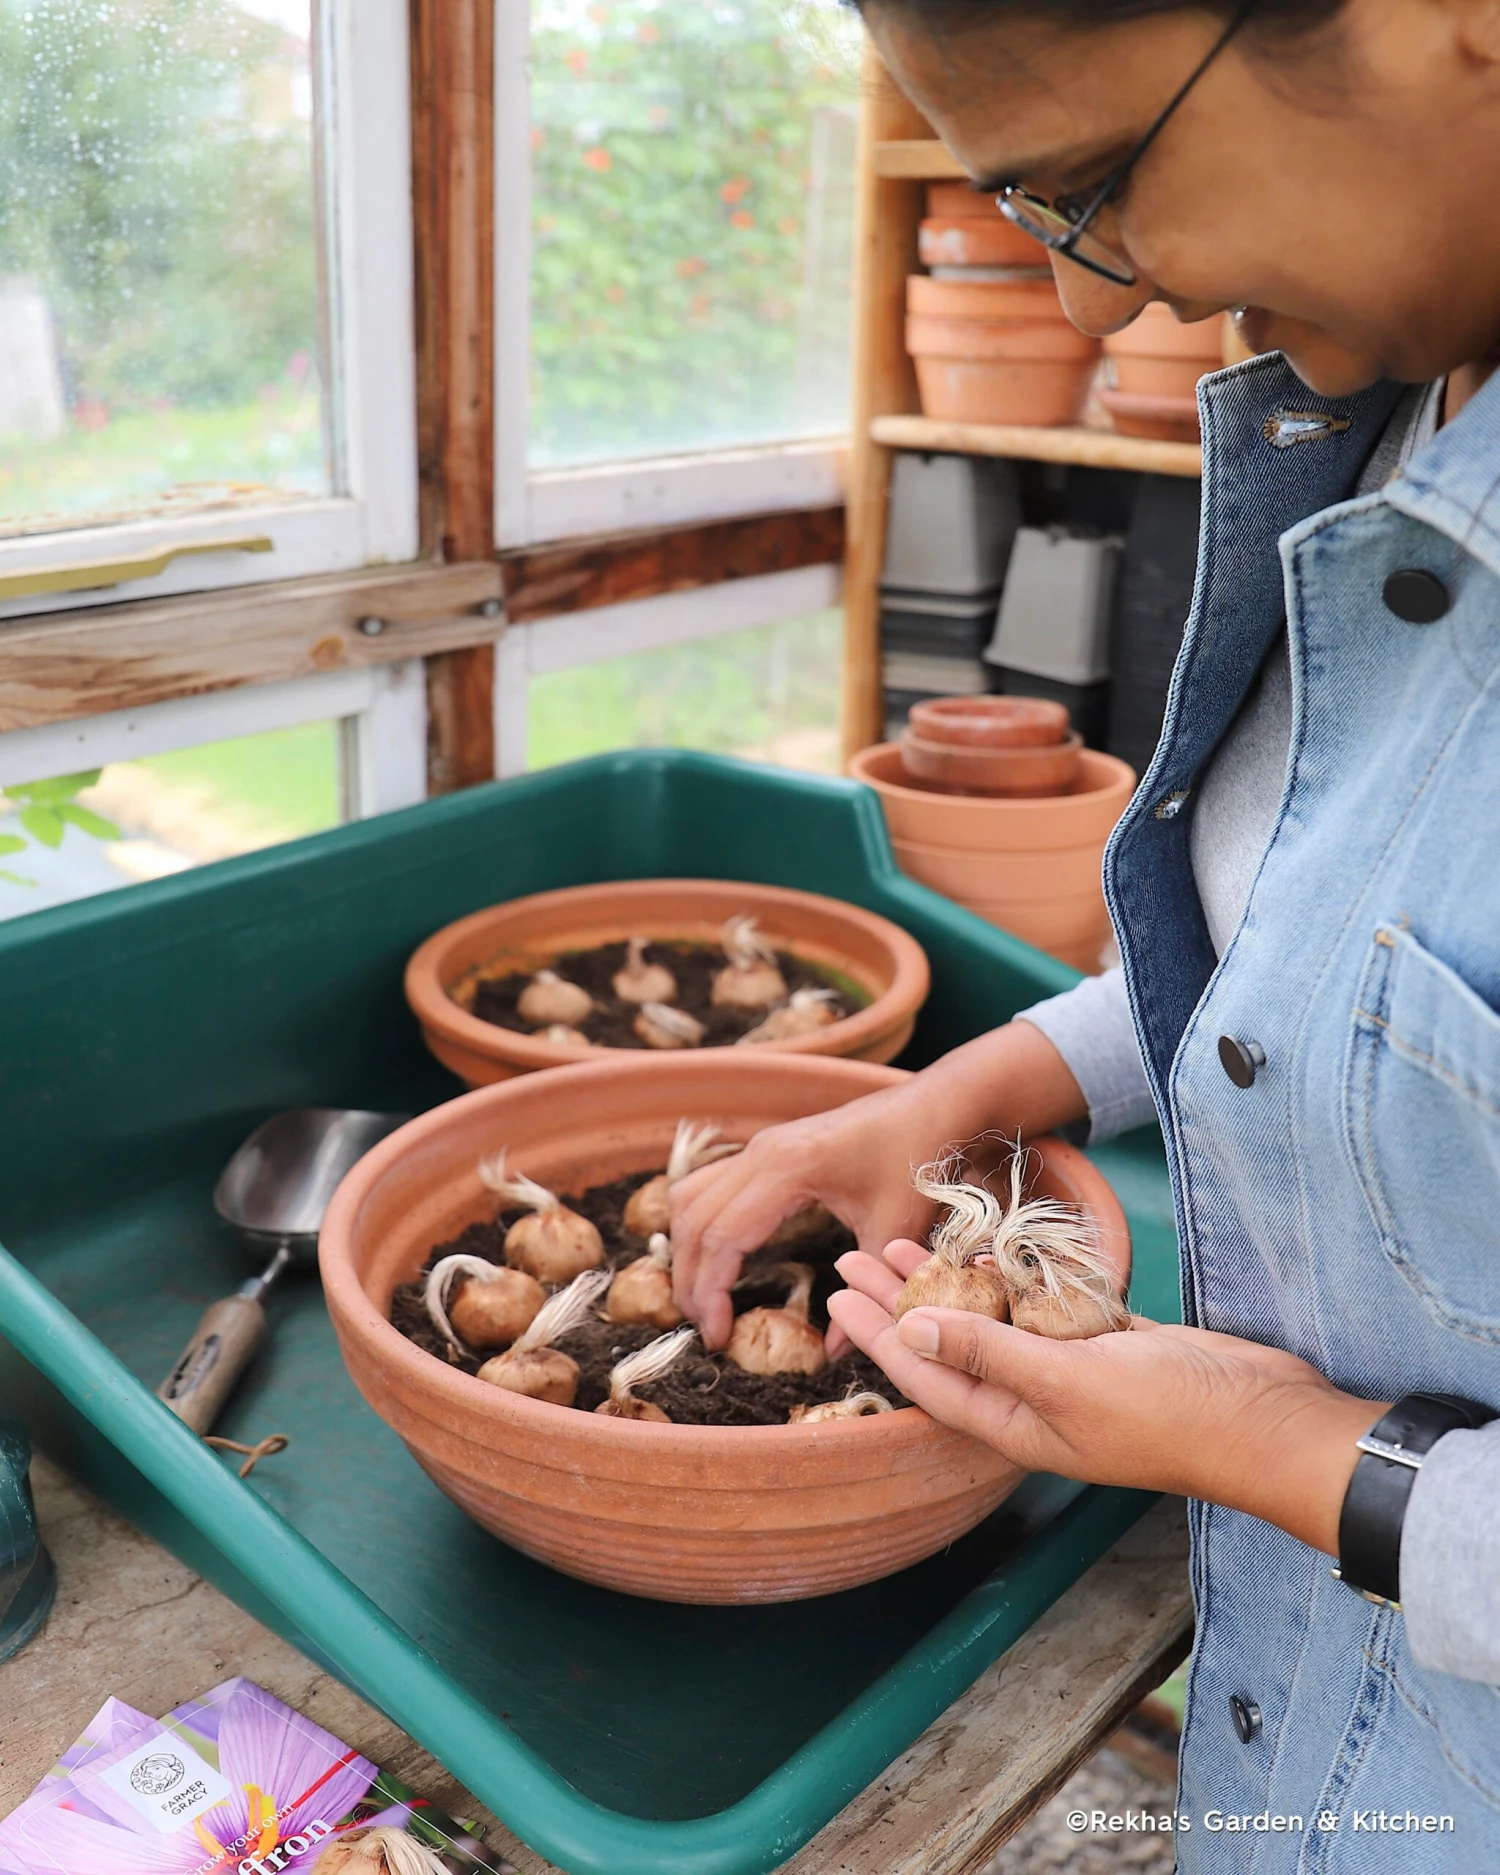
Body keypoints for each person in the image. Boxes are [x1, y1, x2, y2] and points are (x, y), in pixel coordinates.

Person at [669, 2, 1500, 1865]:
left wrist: (1267, 1443)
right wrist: (965, 1087)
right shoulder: (1393, 410)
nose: (1094, 318)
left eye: (1094, 190)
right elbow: (1330, 955)